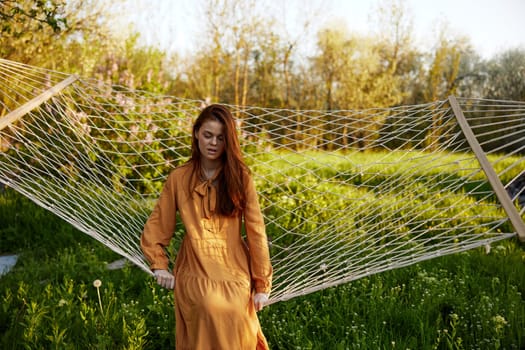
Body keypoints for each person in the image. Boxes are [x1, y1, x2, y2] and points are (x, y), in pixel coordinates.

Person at [140, 104, 273, 349]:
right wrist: (159, 265)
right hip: (195, 267)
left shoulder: (240, 177)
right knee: (208, 305)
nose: (213, 143)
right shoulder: (179, 178)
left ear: (228, 141)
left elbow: (256, 232)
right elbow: (158, 226)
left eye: (221, 138)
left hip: (234, 268)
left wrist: (262, 284)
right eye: (208, 135)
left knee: (237, 313)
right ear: (196, 133)